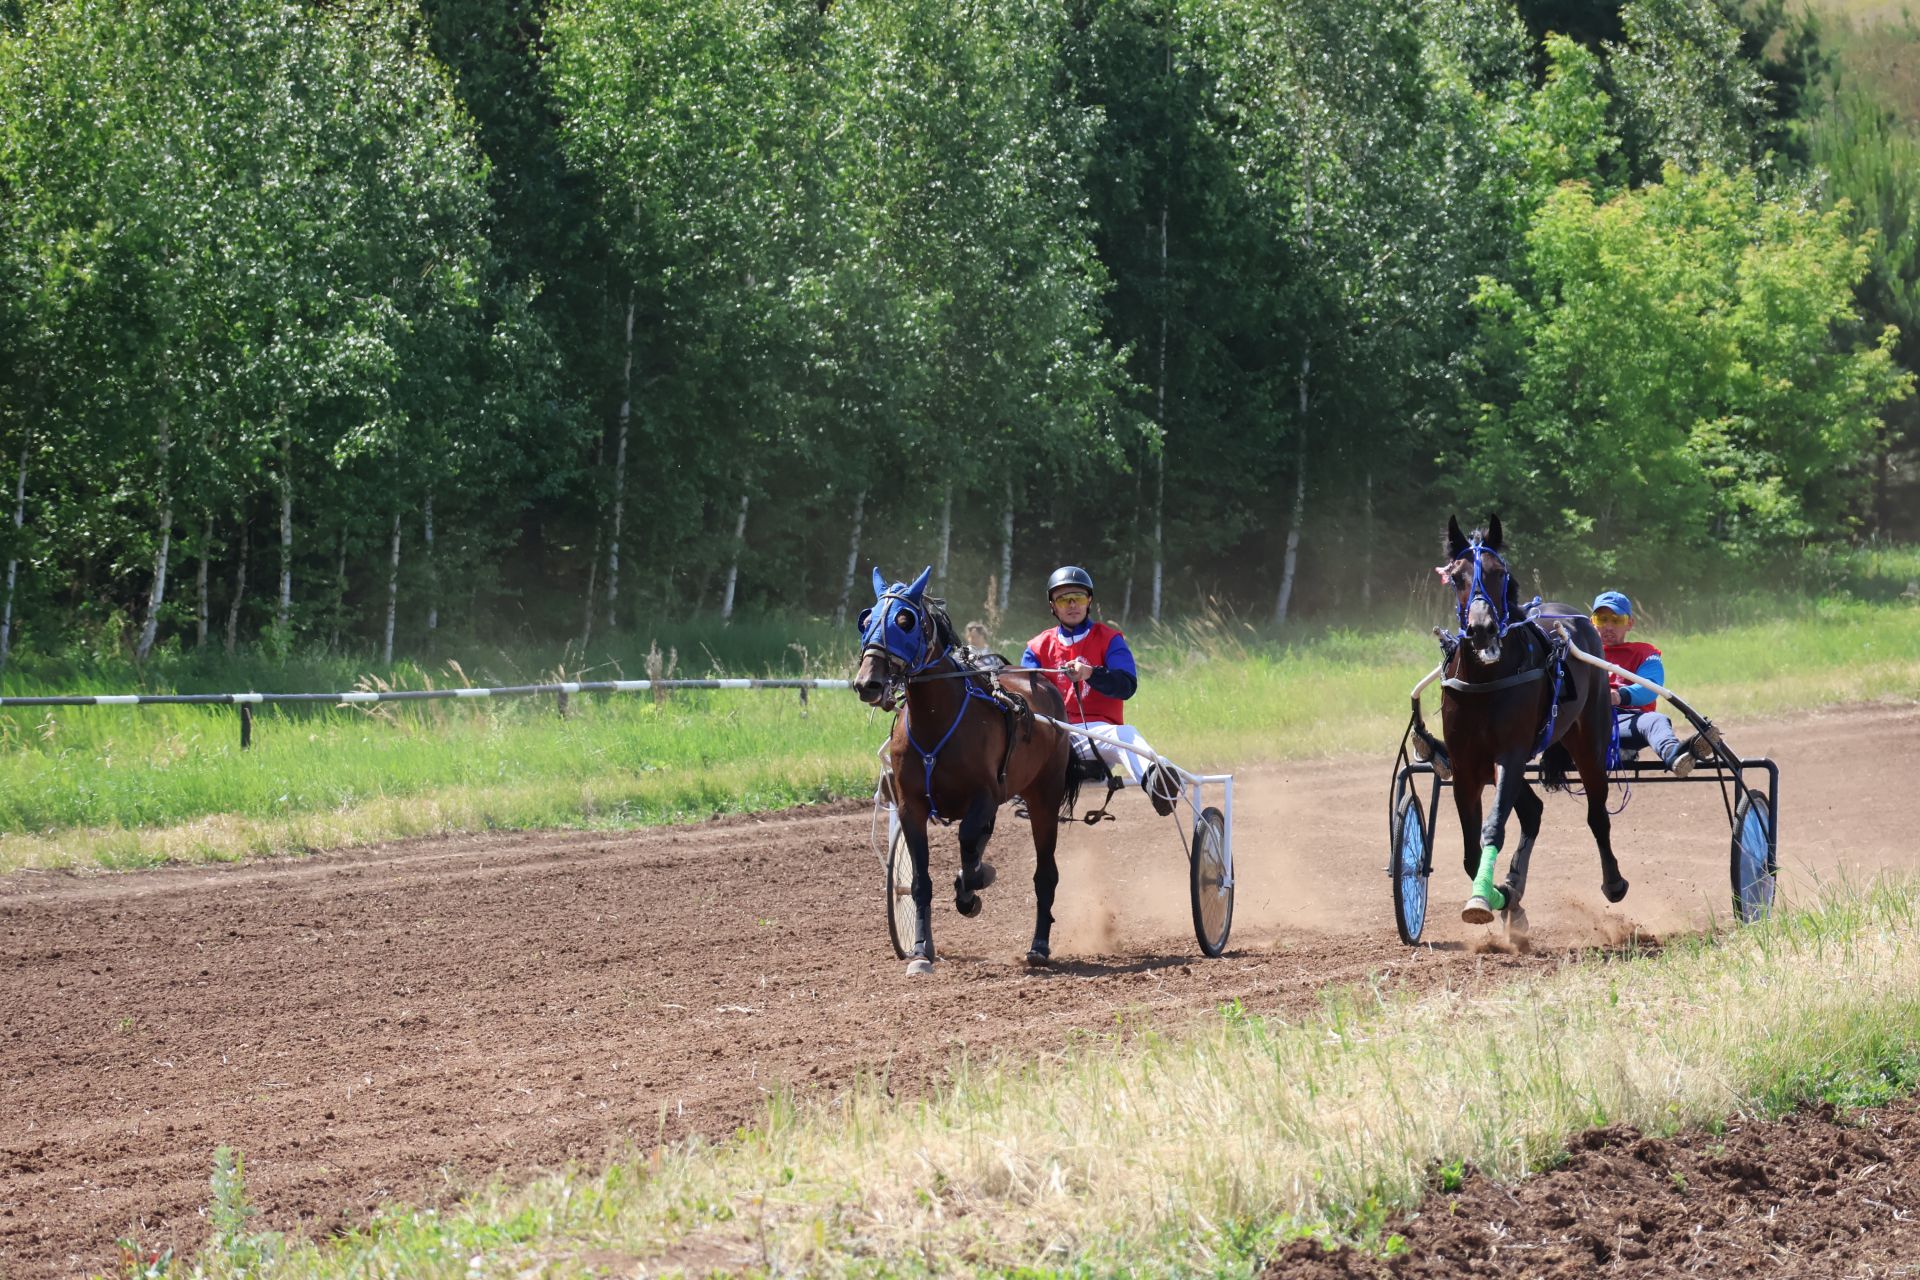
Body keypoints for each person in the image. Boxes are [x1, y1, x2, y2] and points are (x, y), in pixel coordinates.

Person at [1021, 566, 1179, 815]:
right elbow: (1026, 696)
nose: (1072, 604)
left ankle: (1157, 783)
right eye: (1063, 599)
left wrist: (1090, 673)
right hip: (1054, 735)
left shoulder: (1110, 639)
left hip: (1098, 735)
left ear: (1089, 601)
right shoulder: (1037, 647)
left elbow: (1126, 685)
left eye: (1079, 597)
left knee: (1125, 735)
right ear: (1052, 605)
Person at [1591, 590, 1702, 777]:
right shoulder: (1580, 654)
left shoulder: (1644, 652)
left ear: (1629, 624)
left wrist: (1619, 696)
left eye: (1617, 620)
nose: (1608, 627)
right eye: (1602, 620)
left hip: (1627, 720)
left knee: (1656, 720)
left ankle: (1674, 755)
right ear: (1592, 623)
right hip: (1587, 721)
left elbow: (1650, 687)